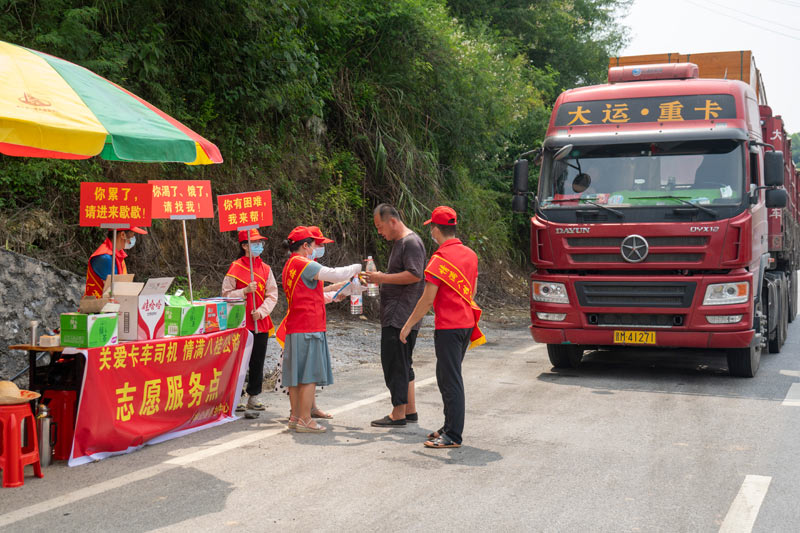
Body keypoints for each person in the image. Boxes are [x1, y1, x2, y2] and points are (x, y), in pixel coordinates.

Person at [400, 206, 485, 449]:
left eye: (432, 229)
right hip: (466, 324)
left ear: (436, 230)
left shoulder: (440, 260)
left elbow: (427, 300)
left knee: (450, 380)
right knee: (447, 376)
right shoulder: (470, 254)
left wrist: (407, 326)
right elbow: (473, 291)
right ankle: (449, 426)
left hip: (449, 326)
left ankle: (453, 435)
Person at [276, 226, 361, 433]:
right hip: (309, 326)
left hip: (297, 325)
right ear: (305, 246)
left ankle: (296, 417)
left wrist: (336, 293)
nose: (316, 249)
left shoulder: (290, 265)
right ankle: (306, 419)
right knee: (309, 375)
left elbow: (310, 295)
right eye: (314, 245)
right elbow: (334, 274)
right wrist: (357, 267)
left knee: (297, 375)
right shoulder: (303, 263)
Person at [363, 204, 426, 427]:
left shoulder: (410, 242)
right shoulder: (403, 243)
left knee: (394, 362)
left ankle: (397, 413)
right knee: (403, 362)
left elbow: (414, 275)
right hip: (400, 313)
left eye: (380, 227)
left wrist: (382, 278)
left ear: (393, 221)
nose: (380, 232)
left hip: (401, 315)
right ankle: (410, 410)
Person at [222, 228, 278, 413]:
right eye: (254, 243)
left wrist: (262, 312)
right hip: (239, 322)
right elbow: (225, 295)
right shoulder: (235, 267)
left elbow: (272, 295)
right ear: (244, 246)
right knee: (239, 360)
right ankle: (235, 396)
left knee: (257, 360)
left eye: (260, 243)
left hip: (259, 322)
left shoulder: (266, 269)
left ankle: (254, 396)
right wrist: (244, 291)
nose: (259, 246)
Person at [84, 227, 147, 298]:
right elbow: (116, 290)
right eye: (133, 235)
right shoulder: (104, 257)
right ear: (123, 234)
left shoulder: (118, 254)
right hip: (98, 307)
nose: (133, 238)